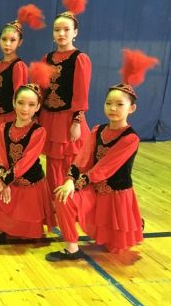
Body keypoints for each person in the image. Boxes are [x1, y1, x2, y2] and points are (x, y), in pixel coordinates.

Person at [46, 49, 158, 261]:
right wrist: (69, 180)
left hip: (115, 196)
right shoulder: (97, 130)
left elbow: (104, 169)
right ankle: (71, 249)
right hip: (93, 191)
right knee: (63, 197)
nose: (113, 108)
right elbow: (82, 159)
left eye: (119, 104)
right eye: (108, 103)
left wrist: (77, 183)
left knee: (115, 246)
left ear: (132, 108)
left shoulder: (130, 138)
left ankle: (134, 223)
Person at [0, 78, 55, 244]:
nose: (25, 108)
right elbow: (1, 157)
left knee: (27, 235)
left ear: (38, 107)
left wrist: (5, 181)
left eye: (31, 105)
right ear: (13, 102)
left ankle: (13, 227)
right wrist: (3, 181)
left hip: (30, 185)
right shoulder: (4, 127)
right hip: (9, 180)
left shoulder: (39, 131)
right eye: (21, 103)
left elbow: (26, 161)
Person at [38, 0, 92, 194]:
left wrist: (77, 121)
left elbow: (81, 93)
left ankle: (70, 202)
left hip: (68, 118)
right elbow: (42, 90)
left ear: (75, 33)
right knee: (52, 162)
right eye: (57, 30)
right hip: (49, 117)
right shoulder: (47, 58)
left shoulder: (80, 59)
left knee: (70, 161)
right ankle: (54, 201)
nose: (61, 34)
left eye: (66, 29)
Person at [0, 4, 45, 156]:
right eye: (4, 39)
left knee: (10, 153)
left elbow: (20, 95)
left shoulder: (19, 66)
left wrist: (18, 121)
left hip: (11, 116)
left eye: (12, 40)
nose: (7, 44)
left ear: (20, 42)